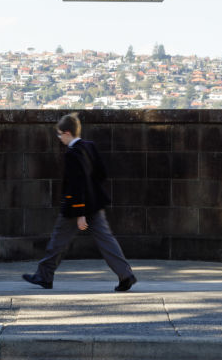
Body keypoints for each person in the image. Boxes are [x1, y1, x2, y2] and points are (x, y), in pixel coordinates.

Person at [22, 113, 136, 292]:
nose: (59, 138)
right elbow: (101, 173)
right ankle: (126, 274)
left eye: (60, 134)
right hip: (95, 203)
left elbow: (76, 184)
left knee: (58, 240)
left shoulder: (72, 154)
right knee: (107, 240)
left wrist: (80, 212)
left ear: (67, 133)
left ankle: (44, 276)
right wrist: (91, 195)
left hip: (76, 206)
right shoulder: (90, 146)